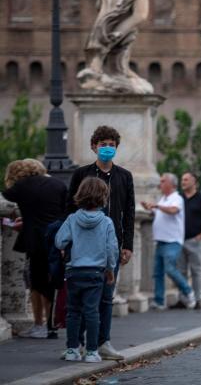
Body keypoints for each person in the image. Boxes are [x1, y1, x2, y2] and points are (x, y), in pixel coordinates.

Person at [66, 125, 135, 361]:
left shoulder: (124, 176)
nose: (107, 148)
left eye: (111, 145)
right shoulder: (81, 174)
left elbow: (130, 212)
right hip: (84, 247)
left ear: (117, 148)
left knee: (106, 296)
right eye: (103, 144)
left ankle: (102, 343)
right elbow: (69, 208)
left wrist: (128, 245)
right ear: (93, 146)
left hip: (111, 245)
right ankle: (80, 344)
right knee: (81, 299)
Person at [55, 177, 119, 363]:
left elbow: (60, 241)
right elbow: (111, 249)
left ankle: (72, 349)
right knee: (92, 312)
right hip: (96, 272)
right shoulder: (106, 222)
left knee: (73, 311)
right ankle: (92, 351)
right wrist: (110, 269)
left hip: (74, 271)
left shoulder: (72, 219)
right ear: (104, 197)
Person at [2, 158, 67, 339]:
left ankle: (40, 325)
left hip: (35, 241)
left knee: (36, 284)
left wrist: (27, 221)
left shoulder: (22, 186)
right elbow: (64, 211)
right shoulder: (58, 184)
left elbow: (5, 199)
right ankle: (52, 324)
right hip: (56, 239)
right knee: (52, 282)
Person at [142, 173, 196, 311]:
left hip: (172, 241)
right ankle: (159, 301)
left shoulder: (176, 198)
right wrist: (152, 209)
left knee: (170, 269)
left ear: (171, 184)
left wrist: (157, 207)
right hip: (160, 240)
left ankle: (189, 292)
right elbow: (162, 214)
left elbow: (173, 211)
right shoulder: (163, 199)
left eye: (162, 181)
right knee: (158, 272)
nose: (160, 183)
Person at [175, 172, 201, 310]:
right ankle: (183, 299)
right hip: (179, 239)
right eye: (182, 179)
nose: (183, 182)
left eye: (185, 179)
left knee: (196, 271)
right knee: (180, 271)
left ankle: (197, 300)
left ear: (193, 181)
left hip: (194, 240)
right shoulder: (178, 198)